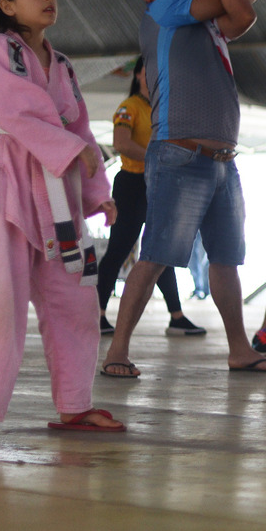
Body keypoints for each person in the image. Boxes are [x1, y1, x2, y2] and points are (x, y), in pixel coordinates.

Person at [101, 0, 266, 378]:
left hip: (222, 160)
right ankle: (116, 352)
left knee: (225, 259)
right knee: (155, 255)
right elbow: (233, 4)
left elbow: (240, 11)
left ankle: (240, 349)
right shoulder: (164, 10)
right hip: (179, 154)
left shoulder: (203, 25)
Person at [0, 0, 124, 431]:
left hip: (58, 201)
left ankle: (74, 405)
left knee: (74, 301)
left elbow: (82, 131)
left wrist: (97, 193)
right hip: (6, 189)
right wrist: (71, 149)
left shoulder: (64, 67)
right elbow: (14, 109)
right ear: (7, 5)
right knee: (1, 309)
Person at [96, 56, 206, 337]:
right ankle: (96, 314)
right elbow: (121, 143)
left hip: (157, 184)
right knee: (119, 249)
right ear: (138, 75)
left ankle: (177, 315)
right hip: (132, 183)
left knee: (160, 250)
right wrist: (157, 159)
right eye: (150, 70)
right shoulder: (128, 107)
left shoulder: (162, 108)